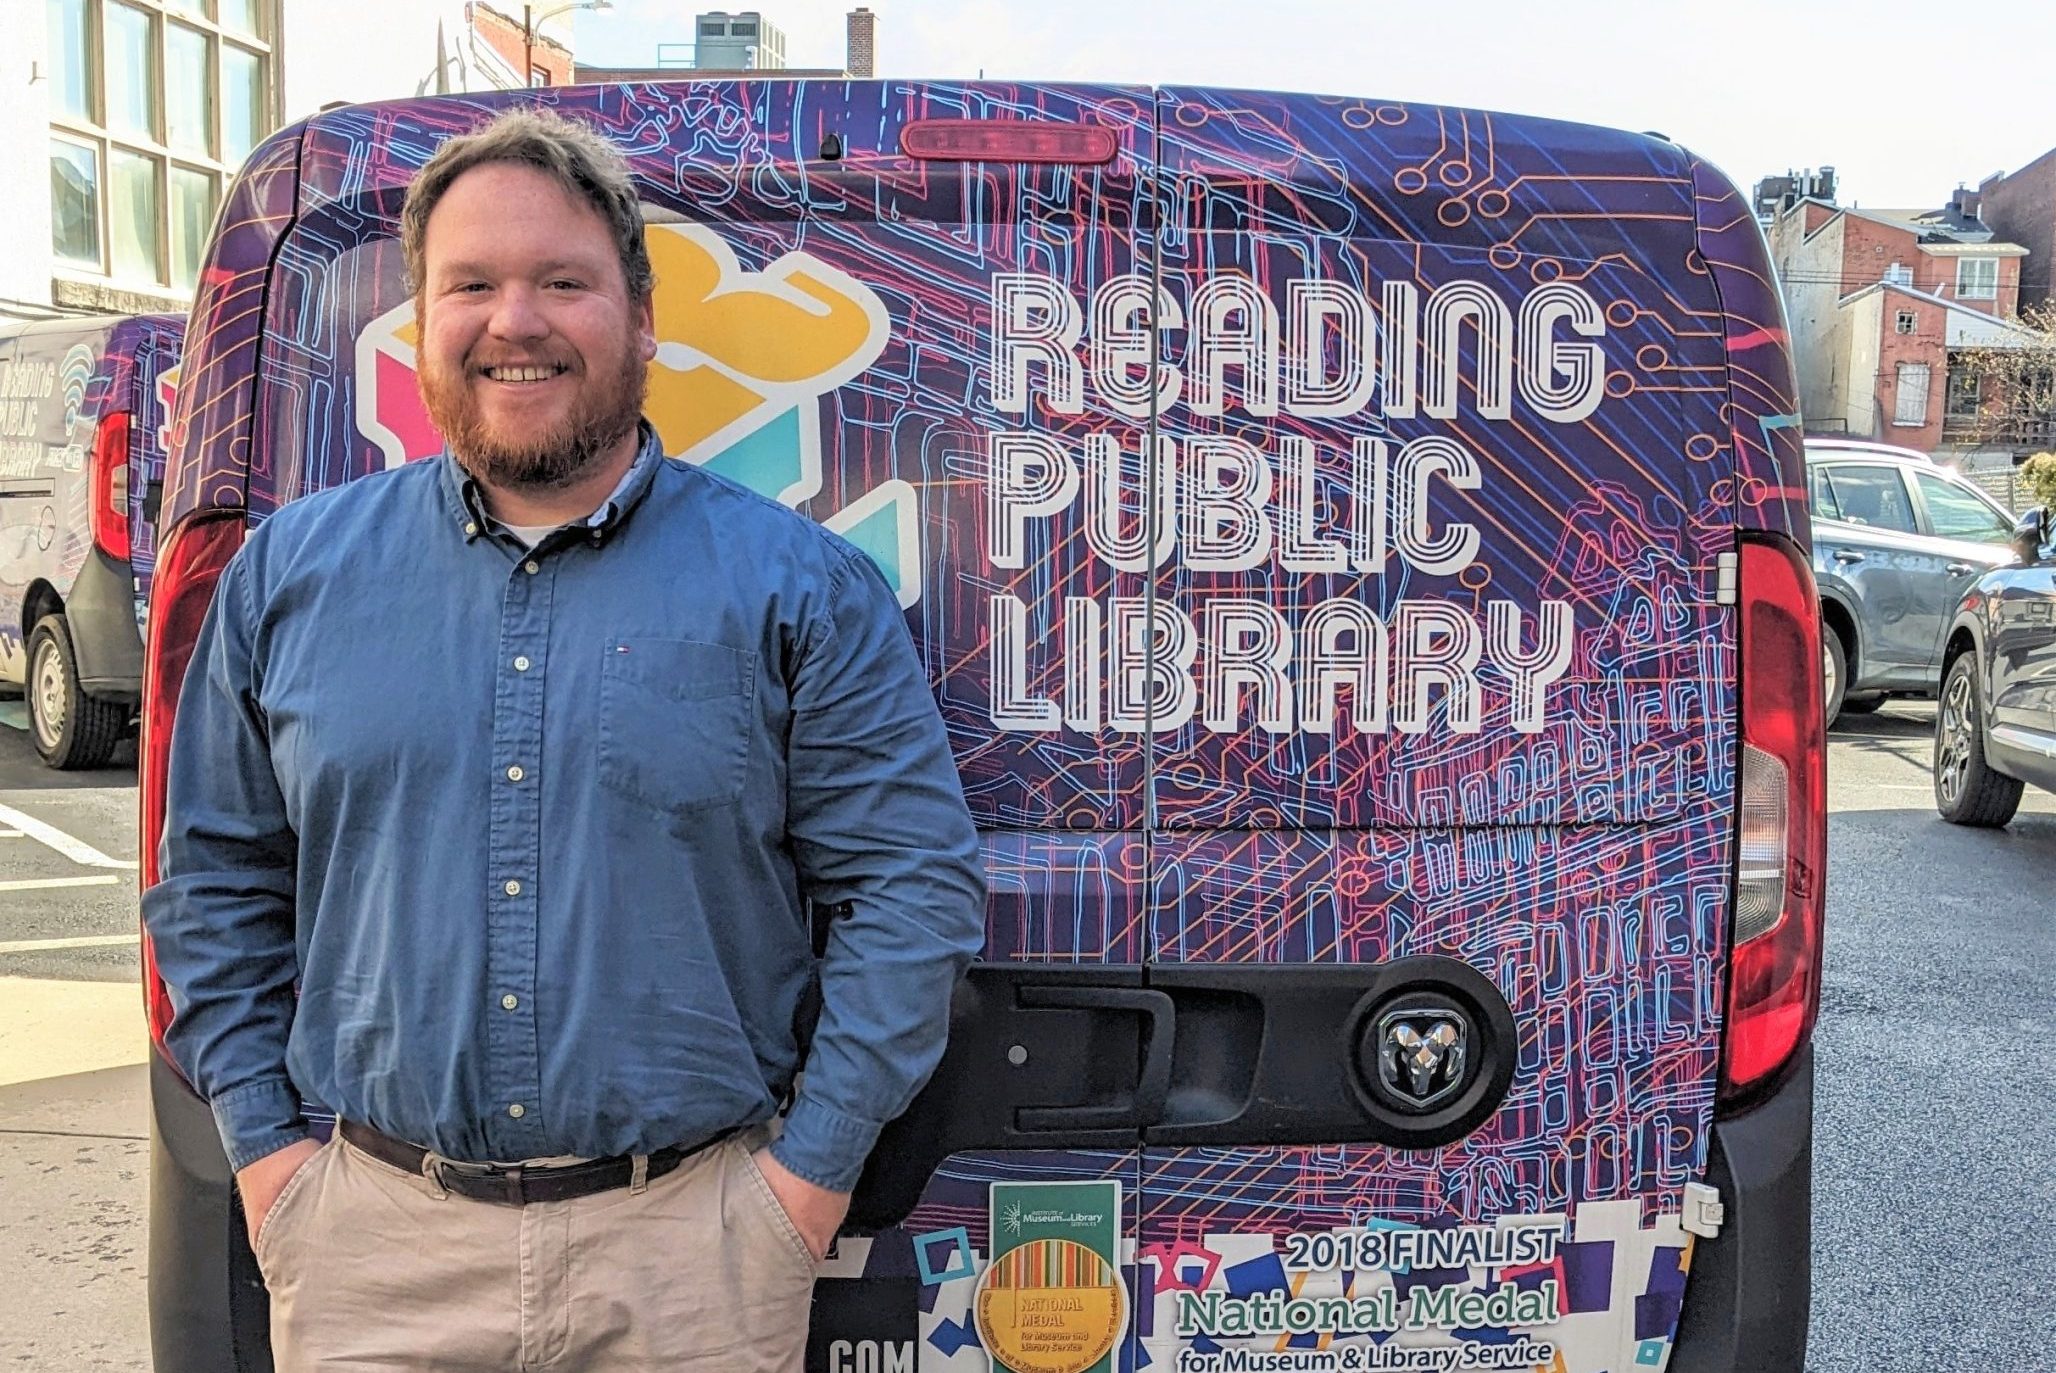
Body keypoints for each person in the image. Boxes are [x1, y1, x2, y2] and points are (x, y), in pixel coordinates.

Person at [142, 107, 987, 1372]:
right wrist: (269, 1160)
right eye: (470, 284)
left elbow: (910, 890)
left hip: (692, 1260)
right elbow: (212, 883)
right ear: (422, 323)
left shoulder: (798, 587)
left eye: (561, 281)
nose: (514, 320)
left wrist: (797, 1190)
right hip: (373, 1253)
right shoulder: (288, 578)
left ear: (640, 316)